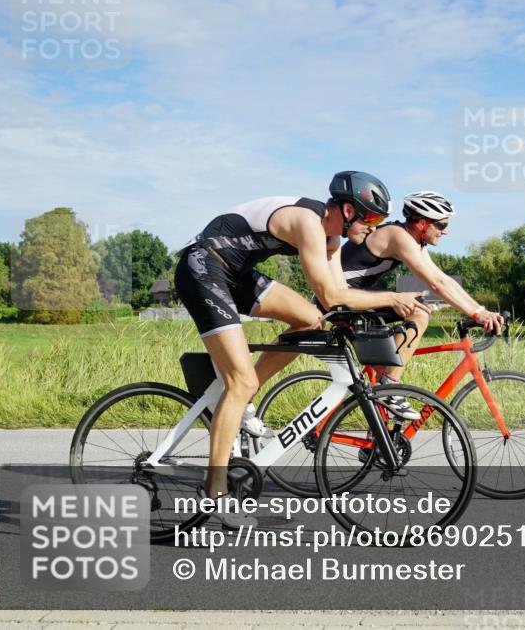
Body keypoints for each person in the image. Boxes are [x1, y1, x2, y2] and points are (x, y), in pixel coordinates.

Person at [173, 171, 430, 527]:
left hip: (237, 272)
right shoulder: (310, 223)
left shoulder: (331, 242)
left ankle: (241, 396)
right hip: (203, 267)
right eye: (370, 219)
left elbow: (337, 297)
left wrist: (380, 311)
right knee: (240, 381)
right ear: (346, 209)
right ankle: (215, 492)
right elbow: (332, 295)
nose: (373, 229)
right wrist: (392, 296)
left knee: (310, 320)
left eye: (379, 222)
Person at [337, 191, 504, 416]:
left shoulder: (414, 241)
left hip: (358, 298)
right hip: (343, 300)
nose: (446, 231)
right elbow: (436, 284)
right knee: (420, 313)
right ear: (423, 223)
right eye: (442, 225)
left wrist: (480, 310)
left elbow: (443, 279)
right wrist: (477, 315)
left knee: (417, 304)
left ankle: (377, 442)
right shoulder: (398, 236)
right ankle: (390, 387)